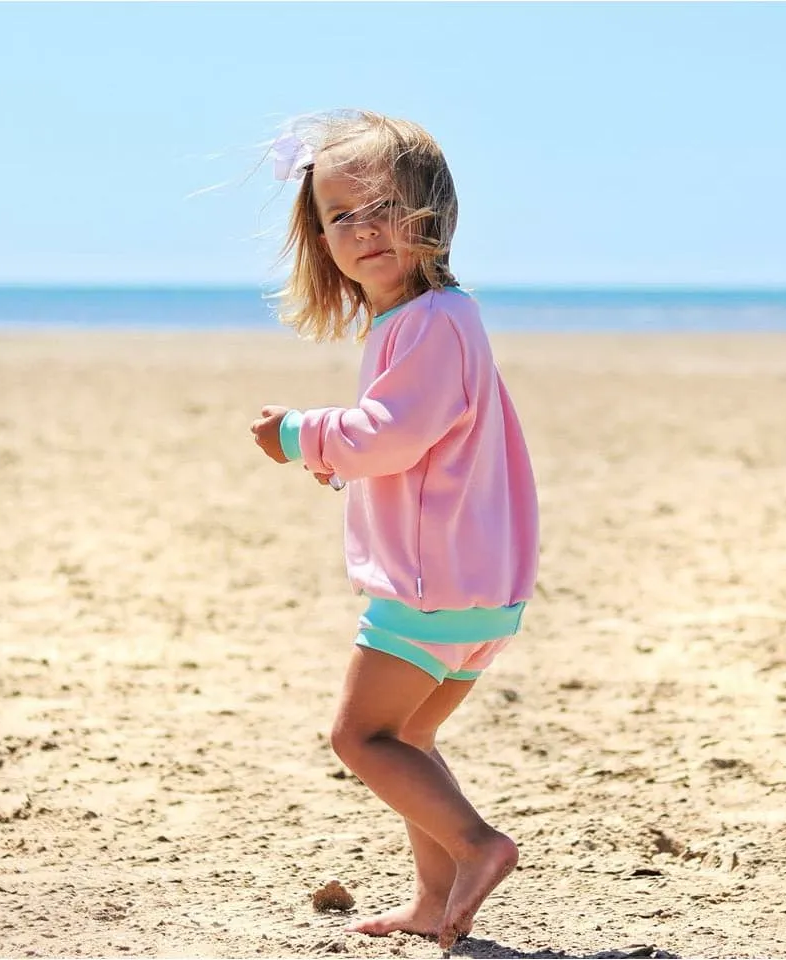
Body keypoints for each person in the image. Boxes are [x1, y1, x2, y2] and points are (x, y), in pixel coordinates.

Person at [250, 110, 539, 953]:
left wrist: (303, 434)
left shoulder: (430, 321)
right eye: (340, 215)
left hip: (429, 585)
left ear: (431, 216)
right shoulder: (431, 320)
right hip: (480, 592)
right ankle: (431, 897)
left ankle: (480, 844)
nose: (362, 228)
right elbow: (412, 444)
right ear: (319, 238)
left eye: (382, 207)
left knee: (360, 736)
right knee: (409, 738)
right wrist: (341, 459)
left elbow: (391, 434)